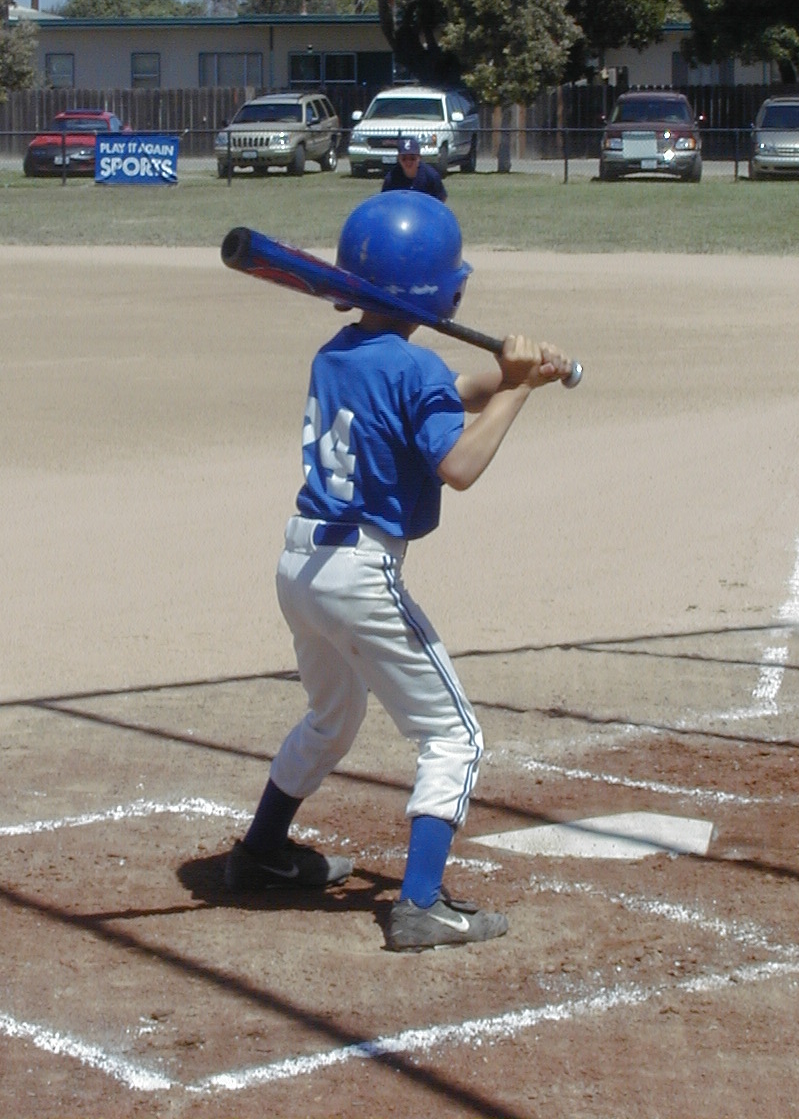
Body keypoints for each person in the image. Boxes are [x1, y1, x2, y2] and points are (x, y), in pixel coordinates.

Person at [224, 191, 573, 952]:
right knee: (454, 737)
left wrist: (513, 378)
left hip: (302, 565)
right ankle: (420, 906)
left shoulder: (340, 353)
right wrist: (516, 390)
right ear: (439, 290)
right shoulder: (414, 367)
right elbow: (460, 465)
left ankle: (262, 850)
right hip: (360, 571)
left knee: (332, 717)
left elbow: (439, 393)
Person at [381, 135, 447, 201]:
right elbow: (384, 201)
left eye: (412, 158)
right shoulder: (391, 178)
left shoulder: (431, 176)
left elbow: (440, 201)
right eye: (404, 158)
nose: (408, 162)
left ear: (419, 158)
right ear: (398, 159)